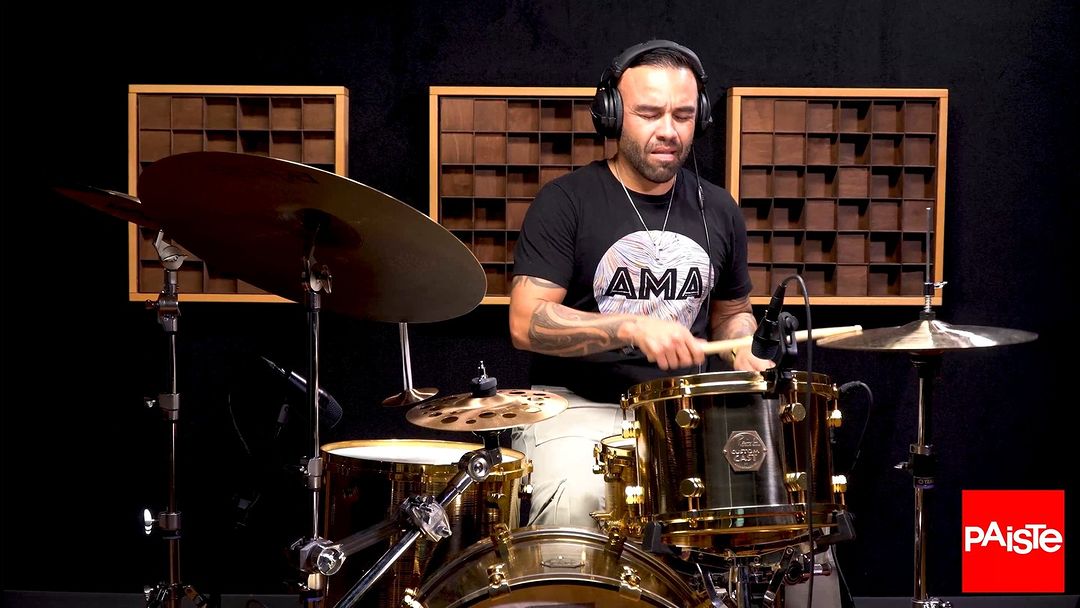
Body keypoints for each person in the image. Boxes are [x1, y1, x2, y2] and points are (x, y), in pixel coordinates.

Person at [508, 38, 771, 525]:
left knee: (766, 508)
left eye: (683, 115)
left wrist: (742, 349)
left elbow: (733, 313)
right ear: (612, 115)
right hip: (579, 407)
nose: (668, 130)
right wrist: (628, 327)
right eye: (649, 114)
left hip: (685, 410)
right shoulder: (566, 201)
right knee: (576, 502)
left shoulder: (719, 208)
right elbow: (527, 322)